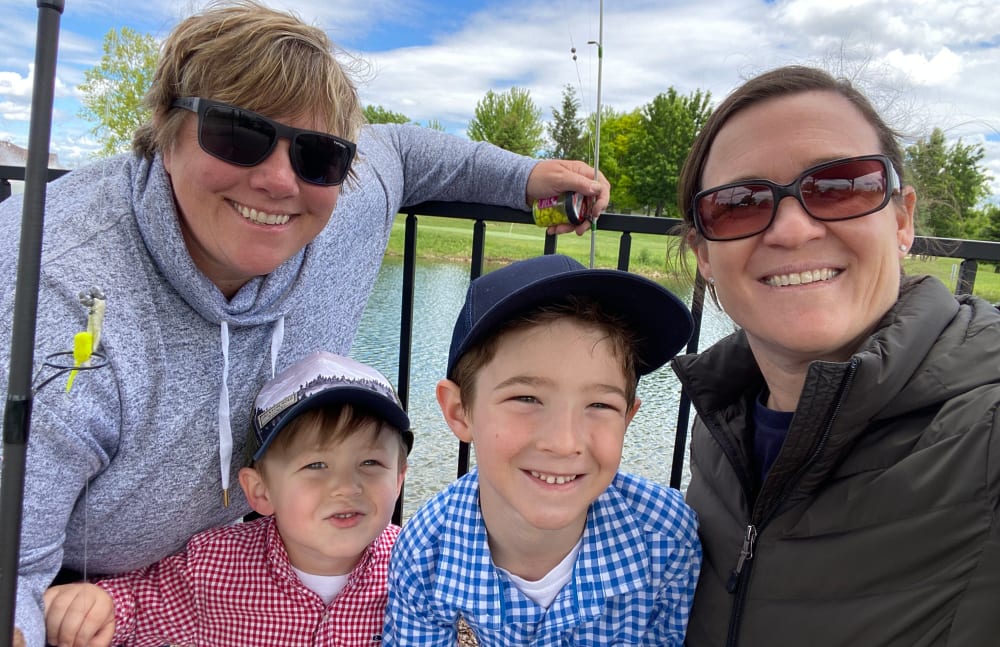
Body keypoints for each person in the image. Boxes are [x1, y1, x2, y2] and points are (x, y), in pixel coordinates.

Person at [0, 2, 610, 645]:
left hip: (235, 556)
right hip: (77, 601)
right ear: (166, 131)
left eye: (317, 156)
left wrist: (524, 178)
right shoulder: (50, 296)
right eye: (237, 135)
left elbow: (402, 148)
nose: (279, 180)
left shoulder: (347, 195)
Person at [671, 65, 1000, 646]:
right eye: (740, 203)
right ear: (703, 253)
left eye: (841, 187)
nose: (793, 230)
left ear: (901, 219)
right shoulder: (721, 429)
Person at [383, 254, 703, 646]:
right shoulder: (426, 550)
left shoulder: (667, 537)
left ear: (628, 418)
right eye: (527, 398)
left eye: (600, 405)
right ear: (459, 411)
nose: (564, 442)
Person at [41, 350, 412, 647]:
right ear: (259, 491)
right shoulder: (213, 565)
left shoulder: (417, 561)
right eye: (316, 464)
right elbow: (136, 605)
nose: (347, 486)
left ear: (398, 478)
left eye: (370, 462)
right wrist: (94, 608)